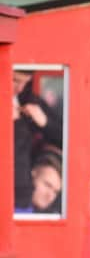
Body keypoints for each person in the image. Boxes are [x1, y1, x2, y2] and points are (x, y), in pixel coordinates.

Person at [13, 70, 63, 210]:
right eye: (15, 80)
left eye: (26, 82)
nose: (20, 88)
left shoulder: (27, 99)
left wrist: (45, 123)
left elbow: (70, 140)